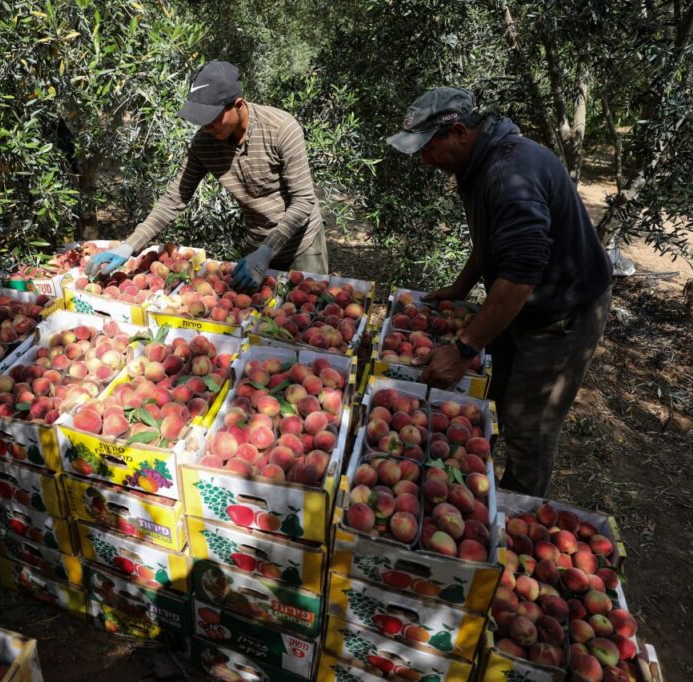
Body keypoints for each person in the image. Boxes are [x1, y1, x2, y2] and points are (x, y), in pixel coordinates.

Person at [386, 87, 612, 497]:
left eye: (428, 147)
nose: (424, 159)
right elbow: (496, 239)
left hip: (562, 315)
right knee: (498, 397)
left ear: (459, 132)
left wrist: (464, 349)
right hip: (524, 305)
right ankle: (475, 483)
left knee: (530, 427)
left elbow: (522, 273)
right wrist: (462, 285)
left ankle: (518, 512)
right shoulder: (481, 162)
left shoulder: (509, 173)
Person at [85, 60, 328, 289]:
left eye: (212, 119)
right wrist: (129, 245)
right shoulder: (205, 143)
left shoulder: (282, 129)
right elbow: (173, 200)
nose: (206, 127)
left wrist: (267, 251)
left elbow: (303, 201)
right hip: (256, 245)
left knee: (309, 310)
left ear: (238, 105)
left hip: (301, 246)